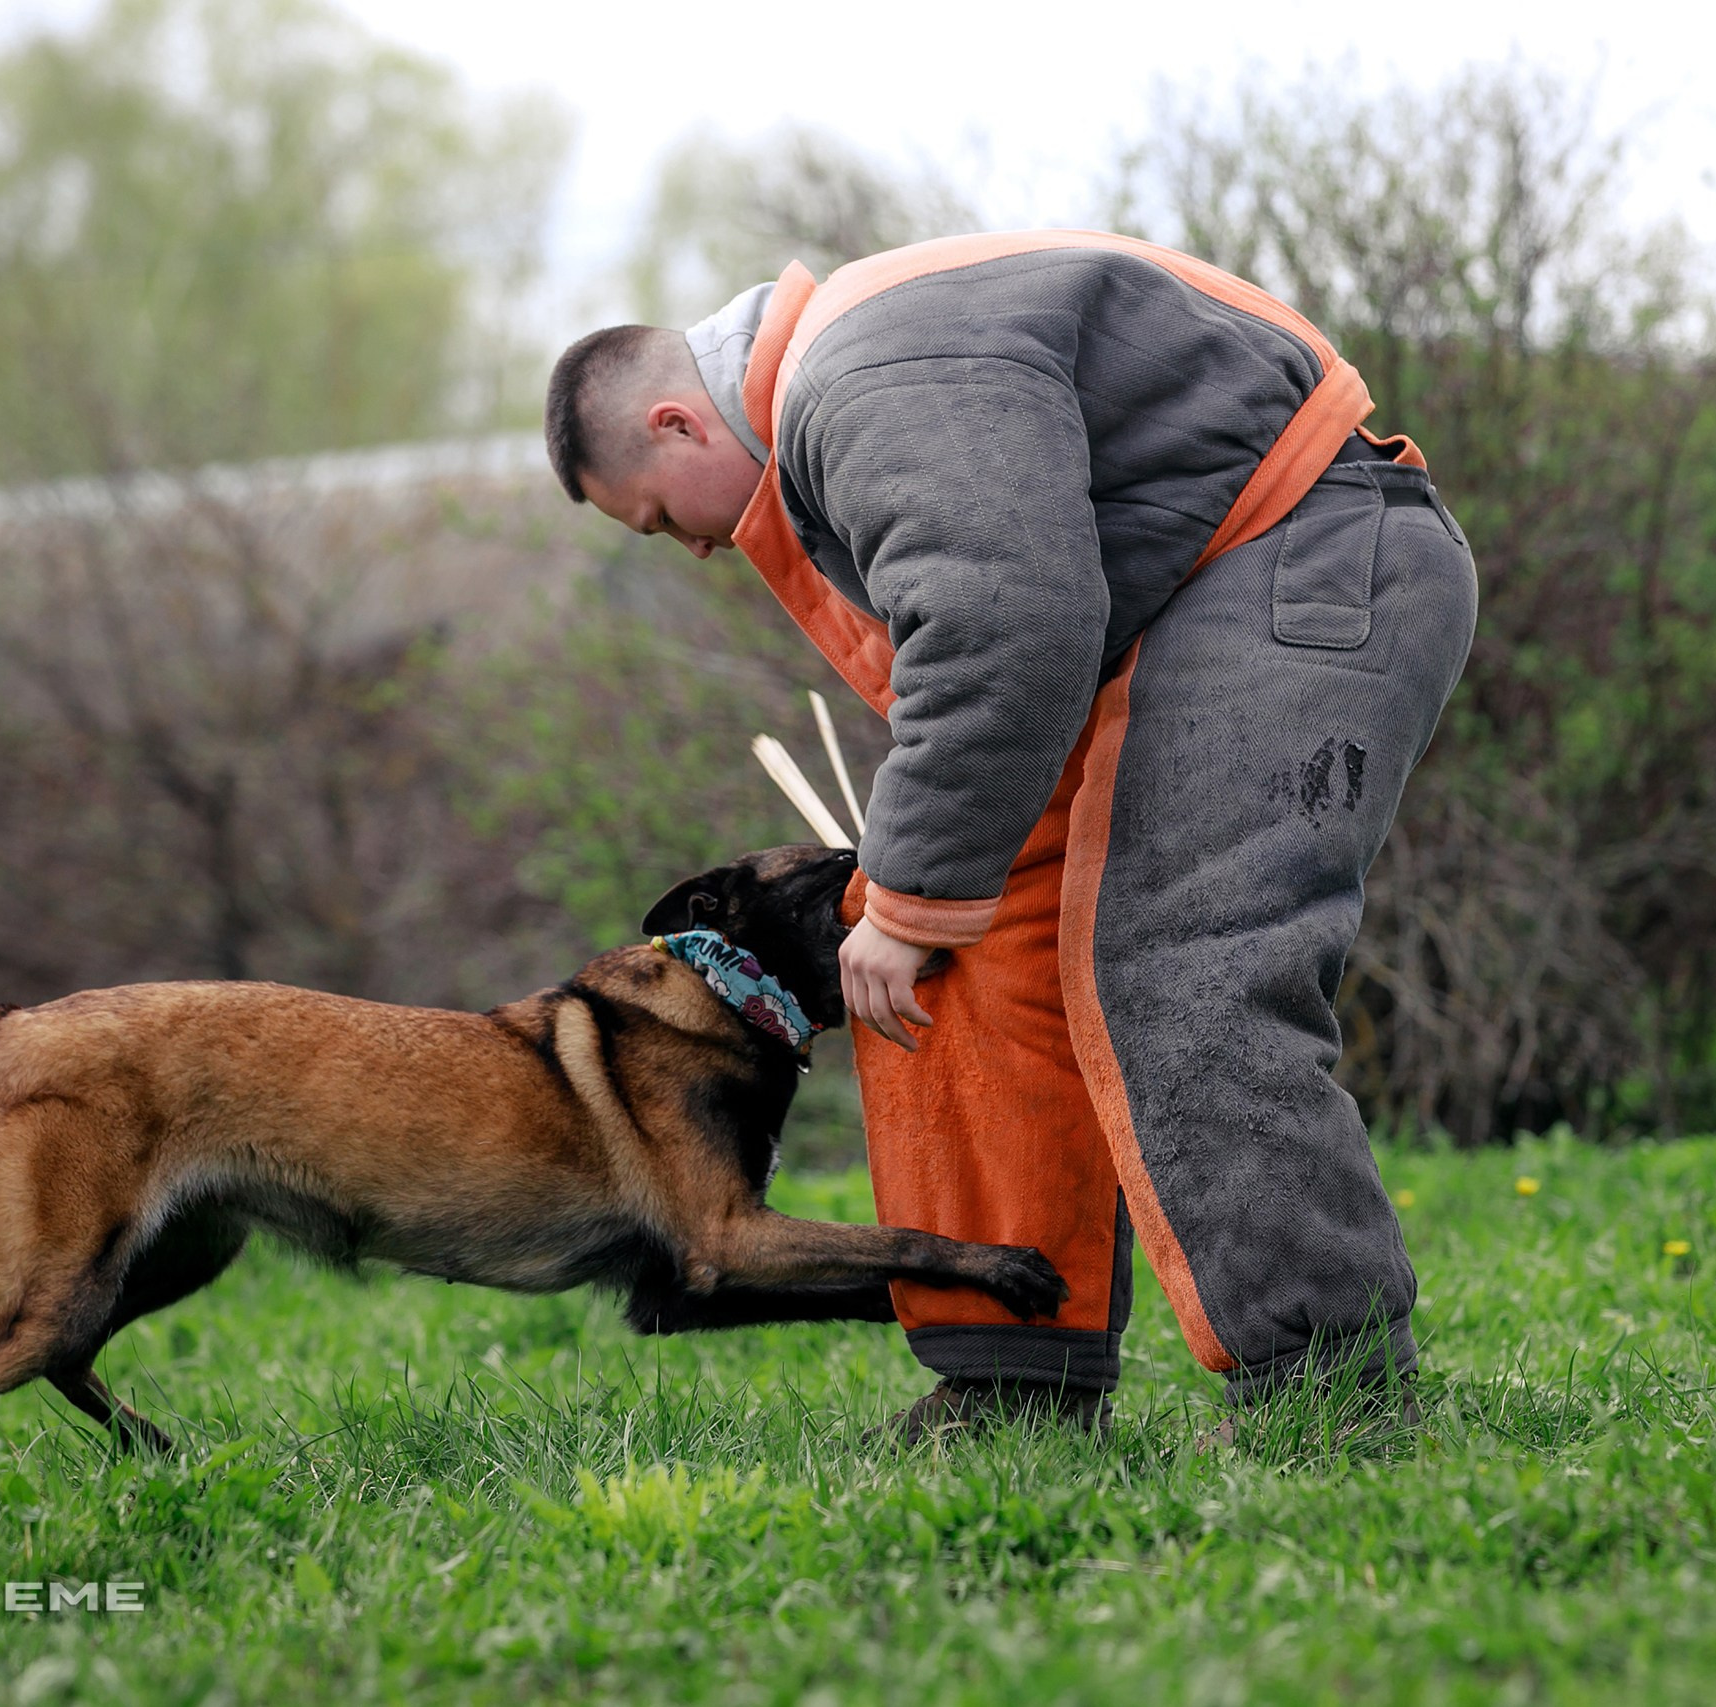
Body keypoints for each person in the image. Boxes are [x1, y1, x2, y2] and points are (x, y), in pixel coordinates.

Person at [542, 231, 1476, 1442]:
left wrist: (915, 890)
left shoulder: (861, 377)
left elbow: (1006, 624)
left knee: (1180, 961)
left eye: (666, 522)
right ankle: (1013, 1373)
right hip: (1189, 600)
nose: (703, 549)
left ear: (677, 424)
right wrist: (921, 904)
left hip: (1306, 554)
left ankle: (1335, 1392)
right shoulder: (847, 385)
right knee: (950, 958)